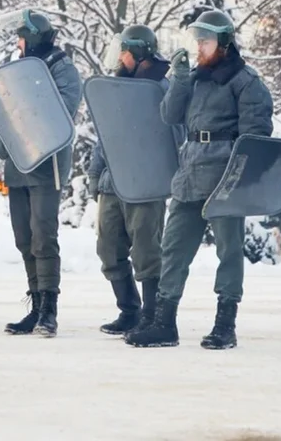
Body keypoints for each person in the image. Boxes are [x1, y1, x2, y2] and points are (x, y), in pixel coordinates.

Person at [125, 10, 274, 350]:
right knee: (173, 249)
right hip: (190, 173)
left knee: (229, 252)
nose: (199, 48)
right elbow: (169, 115)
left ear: (223, 42)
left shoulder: (246, 82)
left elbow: (256, 138)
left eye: (205, 41)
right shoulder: (194, 78)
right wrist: (178, 79)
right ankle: (164, 323)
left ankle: (225, 324)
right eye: (198, 41)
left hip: (224, 178)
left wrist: (236, 181)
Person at [0, 10, 83, 337]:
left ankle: (49, 309)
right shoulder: (16, 70)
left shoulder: (64, 70)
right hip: (18, 165)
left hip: (47, 167)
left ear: (32, 38)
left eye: (21, 38)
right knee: (24, 238)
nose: (18, 45)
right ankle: (34, 306)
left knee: (43, 236)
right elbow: (5, 106)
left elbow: (60, 112)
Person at [87, 25, 173, 336]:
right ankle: (130, 311)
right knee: (108, 248)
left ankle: (151, 315)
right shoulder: (114, 87)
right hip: (113, 181)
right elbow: (104, 136)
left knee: (147, 251)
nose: (119, 57)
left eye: (124, 51)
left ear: (137, 53)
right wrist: (95, 174)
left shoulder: (162, 87)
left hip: (145, 181)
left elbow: (173, 134)